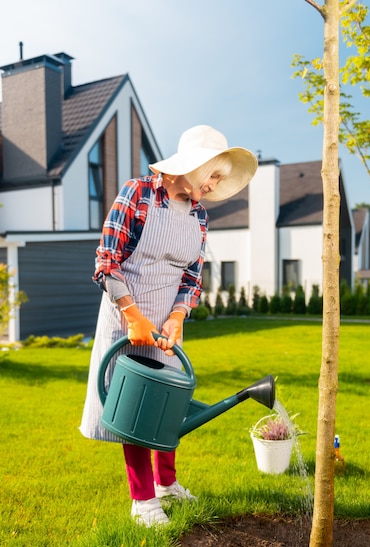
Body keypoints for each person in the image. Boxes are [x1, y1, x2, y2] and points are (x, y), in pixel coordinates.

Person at [80, 125, 258, 526]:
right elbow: (106, 261)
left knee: (169, 403)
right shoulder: (138, 193)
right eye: (212, 175)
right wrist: (133, 315)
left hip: (165, 327)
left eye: (218, 179)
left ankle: (167, 483)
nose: (213, 186)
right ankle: (142, 501)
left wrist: (178, 316)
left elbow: (192, 277)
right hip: (126, 320)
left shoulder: (198, 214)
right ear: (192, 168)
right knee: (136, 408)